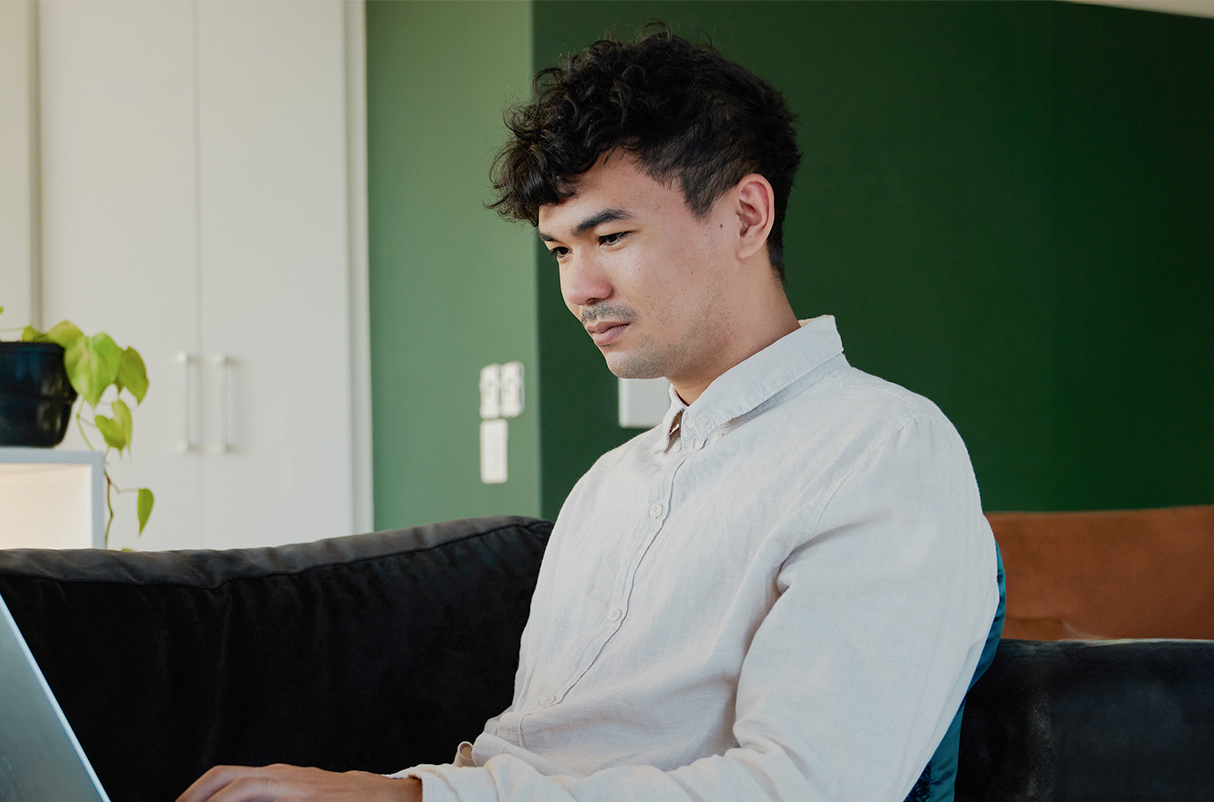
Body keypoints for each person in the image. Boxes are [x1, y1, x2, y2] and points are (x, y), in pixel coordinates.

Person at [177, 28, 1001, 802]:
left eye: (610, 237)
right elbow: (529, 757)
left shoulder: (883, 450)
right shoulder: (609, 487)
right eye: (561, 251)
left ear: (747, 216)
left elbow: (807, 788)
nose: (578, 290)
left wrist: (413, 796)